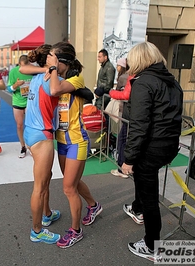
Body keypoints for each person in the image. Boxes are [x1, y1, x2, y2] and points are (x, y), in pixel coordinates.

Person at [121, 42, 183, 262]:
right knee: (145, 183)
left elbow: (138, 126)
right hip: (168, 146)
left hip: (152, 147)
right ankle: (137, 208)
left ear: (138, 60)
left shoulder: (143, 83)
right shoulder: (172, 81)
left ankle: (151, 246)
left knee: (150, 196)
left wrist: (128, 159)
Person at [46, 42, 102, 248]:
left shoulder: (76, 79)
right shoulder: (56, 76)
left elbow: (54, 90)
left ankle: (76, 231)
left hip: (77, 141)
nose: (49, 62)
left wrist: (52, 69)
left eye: (53, 58)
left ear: (64, 62)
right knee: (74, 183)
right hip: (61, 141)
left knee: (68, 188)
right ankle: (94, 206)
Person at [19, 44, 61, 244]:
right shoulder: (52, 80)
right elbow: (59, 89)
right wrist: (52, 70)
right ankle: (36, 231)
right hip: (42, 136)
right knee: (40, 186)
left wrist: (47, 69)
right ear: (50, 59)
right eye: (55, 56)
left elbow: (24, 68)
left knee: (47, 178)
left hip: (30, 133)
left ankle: (47, 214)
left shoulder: (36, 77)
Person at [109, 58, 132, 179]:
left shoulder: (127, 77)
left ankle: (122, 168)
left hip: (129, 112)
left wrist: (111, 92)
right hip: (134, 113)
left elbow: (124, 94)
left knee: (123, 139)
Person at [6, 55, 32, 158]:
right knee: (19, 125)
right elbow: (8, 89)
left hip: (30, 101)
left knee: (30, 125)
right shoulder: (13, 72)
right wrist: (16, 85)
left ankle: (30, 146)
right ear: (19, 64)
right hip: (18, 102)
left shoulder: (33, 71)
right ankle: (23, 146)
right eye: (22, 67)